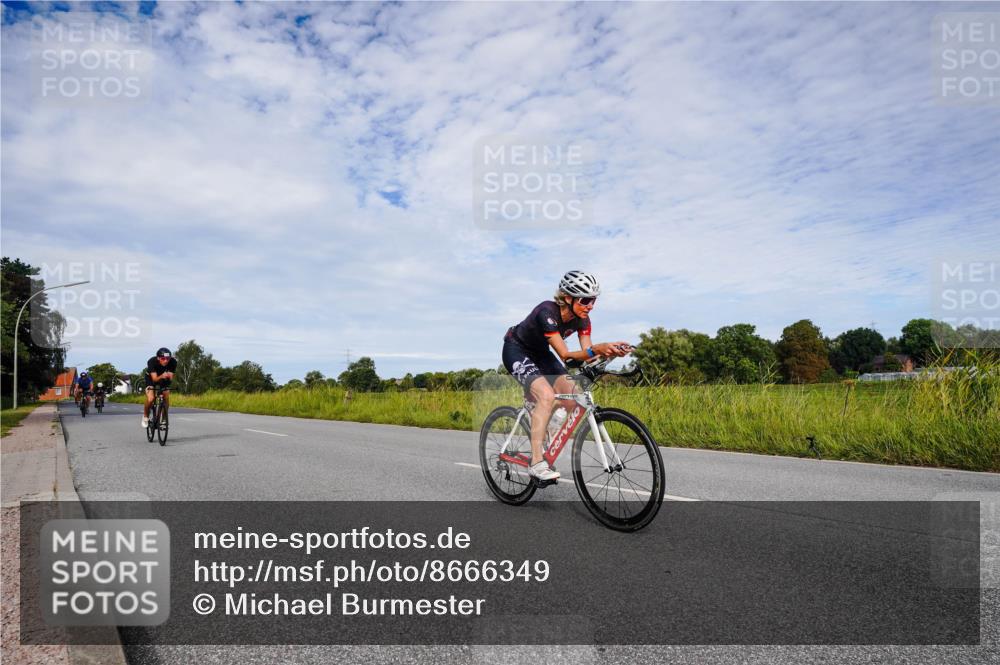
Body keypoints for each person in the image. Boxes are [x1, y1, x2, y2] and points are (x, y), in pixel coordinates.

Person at [502, 271, 631, 481]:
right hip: (517, 350)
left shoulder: (583, 320)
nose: (590, 306)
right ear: (568, 298)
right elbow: (567, 356)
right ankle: (536, 463)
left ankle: (547, 423)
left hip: (541, 353)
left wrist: (610, 353)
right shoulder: (547, 312)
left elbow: (586, 355)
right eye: (586, 300)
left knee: (574, 396)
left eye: (594, 300)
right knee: (545, 395)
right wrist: (598, 348)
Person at [142, 347, 177, 428]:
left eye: (168, 358)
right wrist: (162, 375)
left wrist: (167, 379)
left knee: (166, 395)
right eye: (163, 358)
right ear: (158, 358)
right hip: (151, 378)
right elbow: (154, 379)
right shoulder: (152, 361)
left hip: (164, 379)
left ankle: (163, 419)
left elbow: (170, 378)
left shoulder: (173, 362)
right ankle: (145, 417)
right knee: (151, 398)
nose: (166, 361)